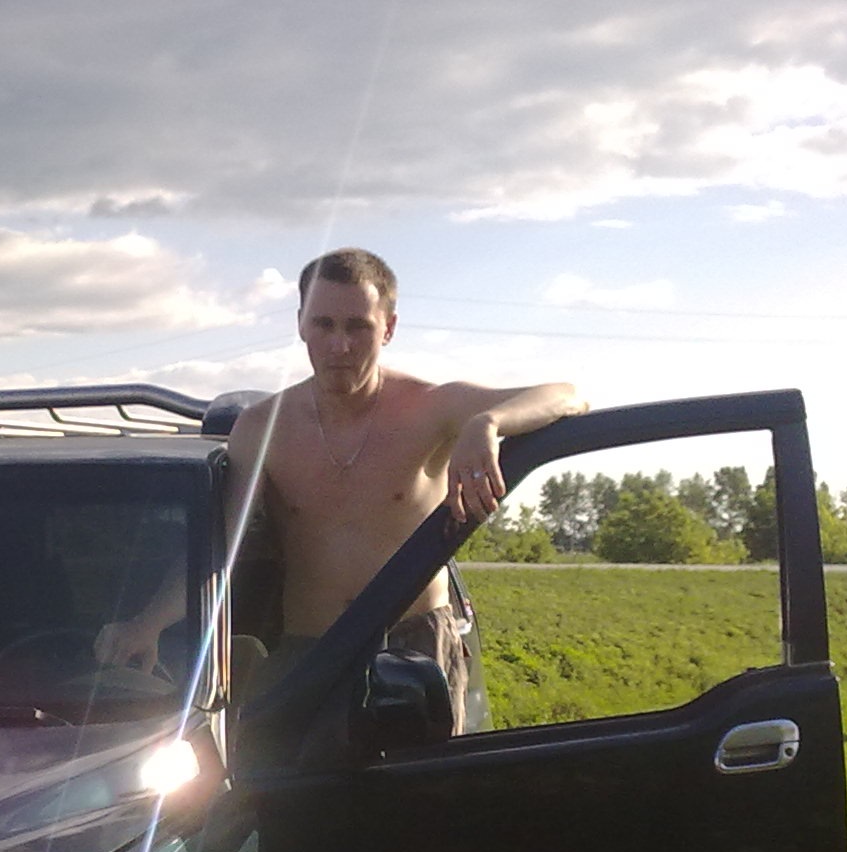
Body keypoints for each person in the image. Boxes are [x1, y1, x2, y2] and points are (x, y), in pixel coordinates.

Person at [95, 248, 585, 730]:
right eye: (324, 324)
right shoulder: (264, 427)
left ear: (388, 328)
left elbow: (567, 395)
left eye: (358, 327)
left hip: (413, 649)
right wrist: (147, 623)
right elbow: (220, 544)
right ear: (301, 325)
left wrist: (488, 422)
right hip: (312, 649)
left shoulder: (429, 408)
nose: (339, 345)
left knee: (423, 783)